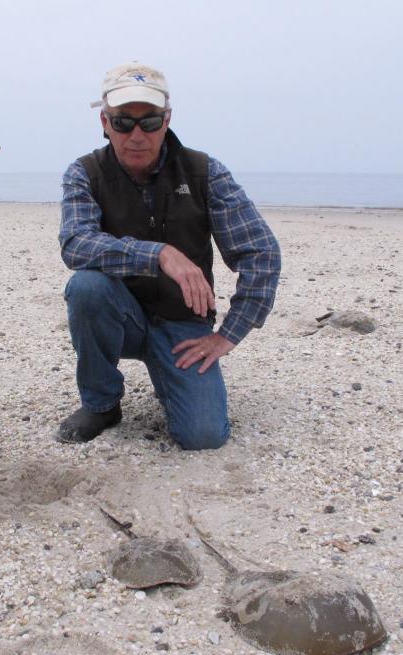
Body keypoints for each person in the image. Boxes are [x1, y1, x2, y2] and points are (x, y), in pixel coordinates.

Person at [57, 62, 281, 450]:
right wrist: (158, 254)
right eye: (124, 122)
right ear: (105, 121)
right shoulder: (84, 173)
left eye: (151, 121)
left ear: (168, 119)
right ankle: (102, 403)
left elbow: (261, 252)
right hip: (119, 316)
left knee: (203, 436)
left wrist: (228, 335)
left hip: (183, 326)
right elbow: (75, 243)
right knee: (86, 287)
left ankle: (169, 376)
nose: (137, 135)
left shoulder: (204, 172)